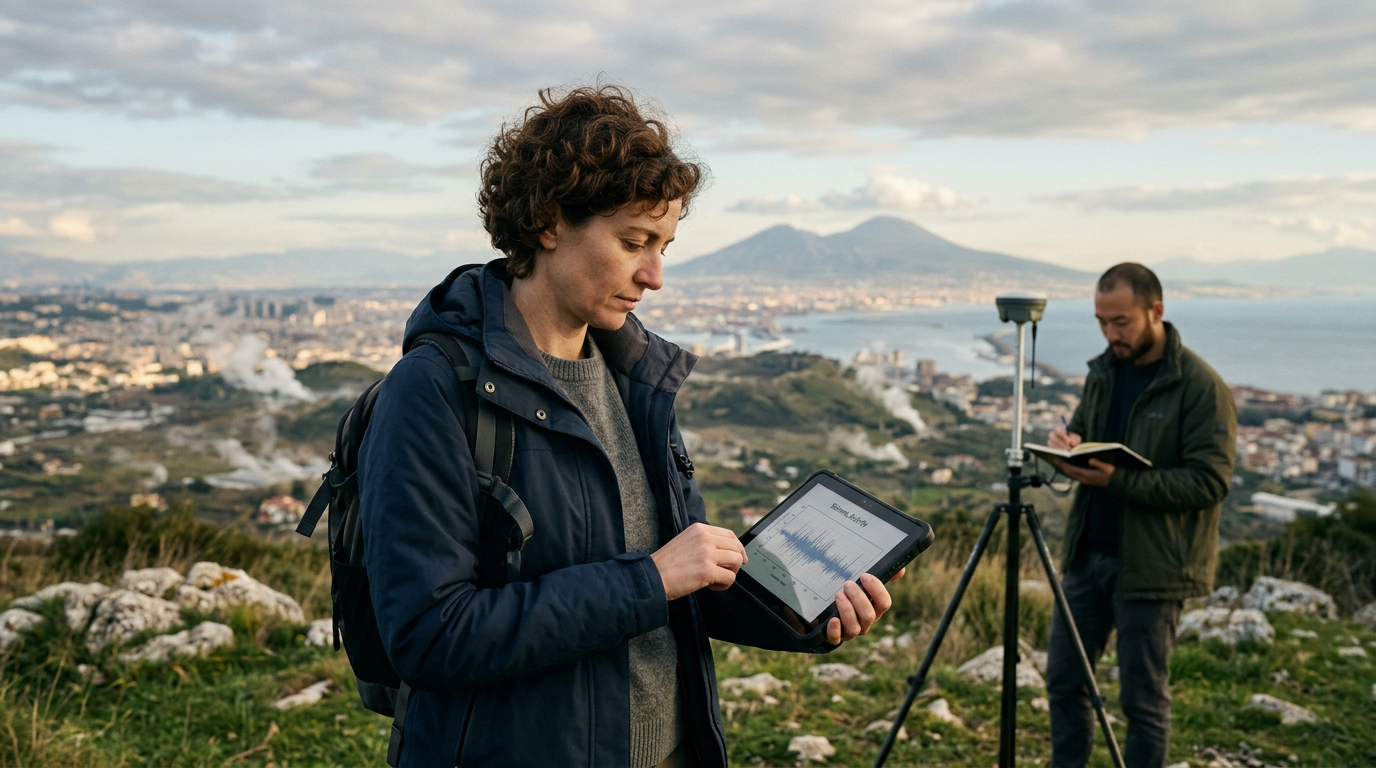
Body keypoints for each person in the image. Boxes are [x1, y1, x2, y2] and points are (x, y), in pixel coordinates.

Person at [357, 85, 902, 768]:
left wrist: (808, 615)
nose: (655, 276)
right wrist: (651, 579)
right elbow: (431, 635)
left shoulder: (636, 380)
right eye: (634, 242)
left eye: (665, 245)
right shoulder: (434, 389)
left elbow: (681, 587)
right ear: (549, 222)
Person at [1045, 263, 1236, 768]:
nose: (1111, 334)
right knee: (1065, 682)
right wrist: (1066, 446)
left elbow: (1211, 481)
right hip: (1088, 555)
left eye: (1122, 322)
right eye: (1101, 322)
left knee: (1143, 702)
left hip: (1153, 569)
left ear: (1157, 311)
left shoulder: (1199, 386)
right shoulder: (1104, 371)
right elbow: (1085, 432)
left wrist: (1119, 480)